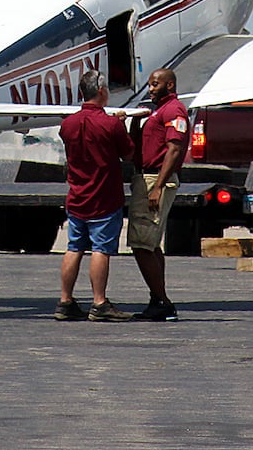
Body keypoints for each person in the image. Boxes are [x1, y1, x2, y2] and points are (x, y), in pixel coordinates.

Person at [56, 69, 133, 323]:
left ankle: (65, 300)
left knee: (74, 247)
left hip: (77, 195)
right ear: (101, 91)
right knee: (101, 249)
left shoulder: (67, 124)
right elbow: (128, 153)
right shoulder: (110, 124)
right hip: (104, 197)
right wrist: (122, 125)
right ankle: (99, 301)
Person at [126, 67, 188, 322]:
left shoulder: (174, 111)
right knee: (151, 244)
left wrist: (158, 186)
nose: (150, 89)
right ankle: (158, 299)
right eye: (150, 85)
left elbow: (174, 149)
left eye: (155, 84)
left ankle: (162, 301)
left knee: (141, 244)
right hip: (145, 176)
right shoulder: (155, 112)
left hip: (154, 178)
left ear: (169, 86)